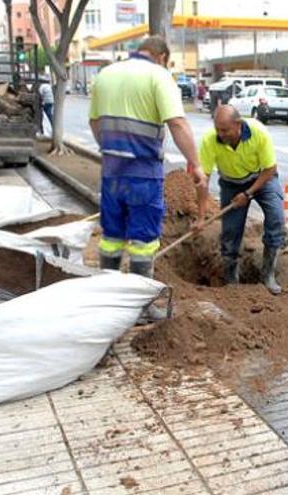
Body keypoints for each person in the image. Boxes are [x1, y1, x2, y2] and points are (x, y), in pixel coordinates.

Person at [89, 36, 207, 320]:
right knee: (143, 241)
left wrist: (110, 151)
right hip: (143, 173)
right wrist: (196, 164)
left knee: (112, 236)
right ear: (161, 56)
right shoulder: (159, 75)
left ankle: (110, 301)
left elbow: (94, 122)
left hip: (111, 172)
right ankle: (140, 307)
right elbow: (177, 123)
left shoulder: (105, 74)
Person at [195, 105, 287, 295]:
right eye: (217, 129)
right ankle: (231, 281)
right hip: (231, 183)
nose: (220, 134)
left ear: (238, 124)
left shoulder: (258, 132)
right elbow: (203, 180)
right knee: (230, 232)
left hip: (261, 179)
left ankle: (268, 275)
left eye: (225, 130)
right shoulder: (210, 139)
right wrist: (201, 216)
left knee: (276, 218)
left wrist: (248, 194)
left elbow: (270, 169)